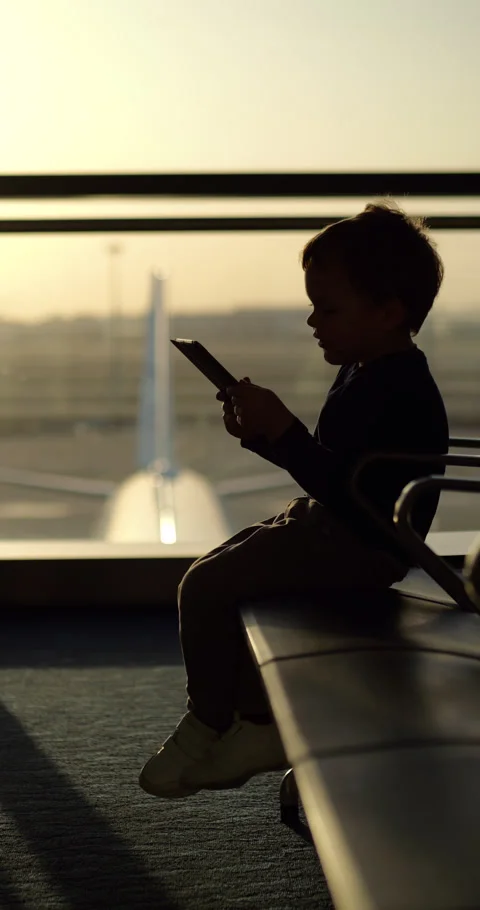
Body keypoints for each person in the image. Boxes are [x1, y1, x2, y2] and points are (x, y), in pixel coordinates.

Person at [139, 200, 449, 800]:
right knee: (217, 570)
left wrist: (284, 432)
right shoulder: (367, 369)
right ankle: (252, 722)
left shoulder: (400, 388)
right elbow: (334, 473)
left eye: (327, 308)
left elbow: (357, 496)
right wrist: (266, 436)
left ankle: (212, 721)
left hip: (360, 546)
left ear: (388, 313)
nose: (312, 321)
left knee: (205, 586)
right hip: (337, 527)